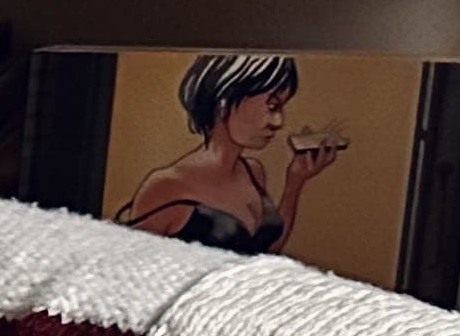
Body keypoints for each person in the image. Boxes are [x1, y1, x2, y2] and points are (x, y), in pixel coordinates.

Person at [112, 51, 347, 256]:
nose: (279, 122)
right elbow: (132, 272)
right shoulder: (167, 186)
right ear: (224, 102)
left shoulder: (252, 171)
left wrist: (295, 181)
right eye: (272, 106)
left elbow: (267, 252)